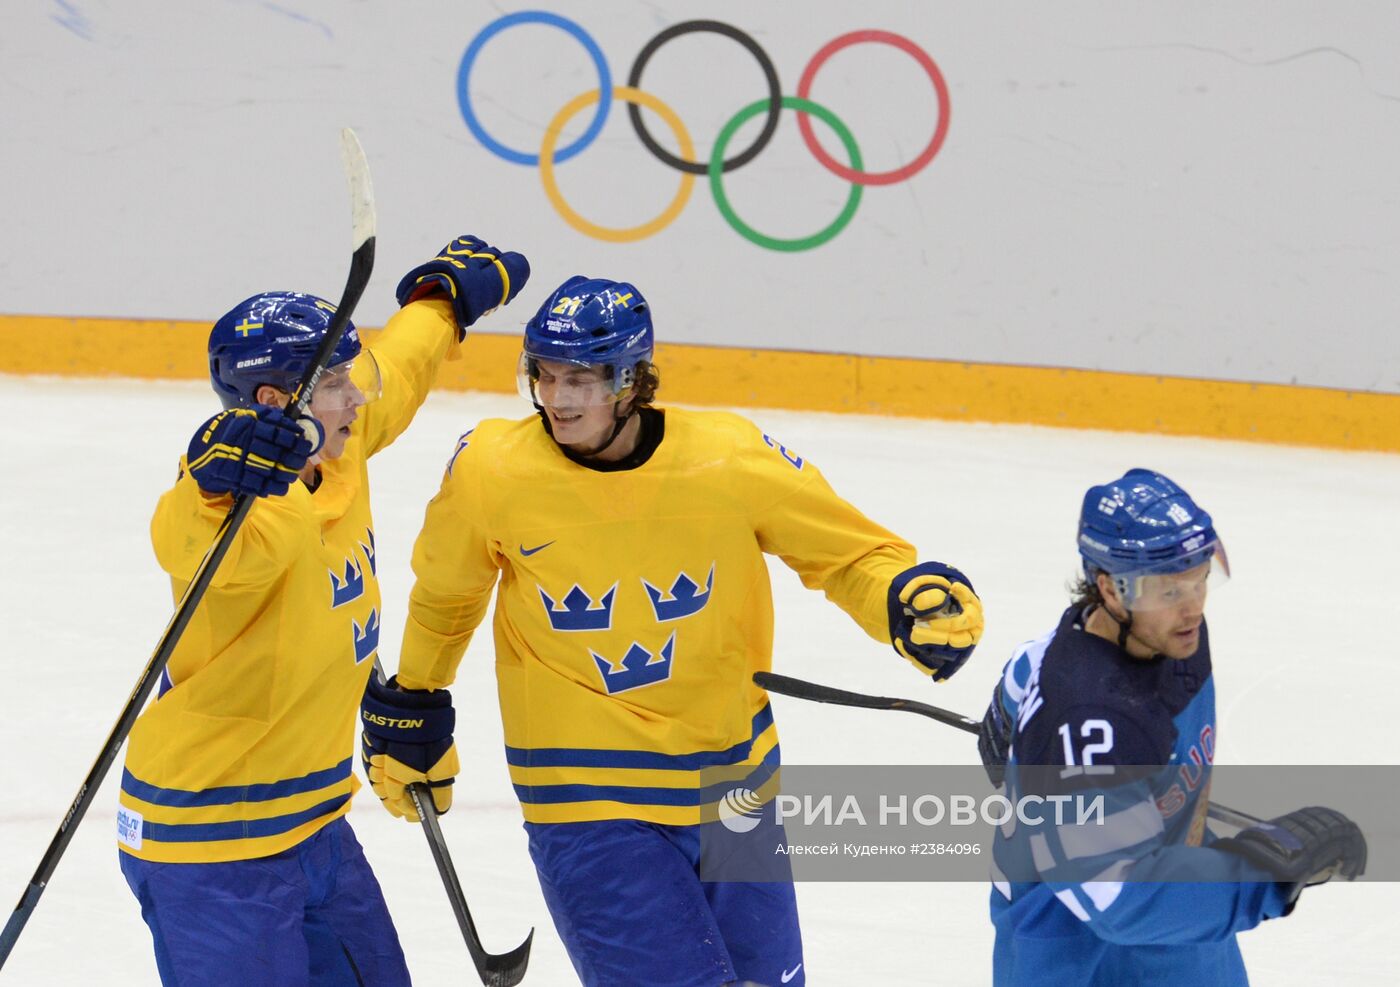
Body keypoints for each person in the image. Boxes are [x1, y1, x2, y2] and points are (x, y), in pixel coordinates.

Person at [357, 275, 987, 987]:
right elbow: (447, 593)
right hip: (586, 794)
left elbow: (848, 552)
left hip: (735, 783)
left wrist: (901, 598)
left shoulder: (726, 458)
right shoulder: (492, 469)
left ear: (633, 381)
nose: (560, 399)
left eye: (584, 379)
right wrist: (416, 694)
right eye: (546, 374)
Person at [116, 234, 530, 986]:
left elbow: (395, 370)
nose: (358, 395)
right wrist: (213, 481)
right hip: (213, 841)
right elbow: (181, 537)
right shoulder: (244, 514)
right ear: (277, 402)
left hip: (312, 823)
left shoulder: (336, 443)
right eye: (336, 380)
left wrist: (439, 302)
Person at [976, 467, 1366, 986]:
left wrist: (1008, 711)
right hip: (1079, 950)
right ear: (1110, 591)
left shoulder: (1157, 633)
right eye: (1169, 589)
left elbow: (1030, 665)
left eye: (1200, 577)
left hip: (1180, 918)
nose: (1193, 607)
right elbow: (1115, 897)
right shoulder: (1090, 722)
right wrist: (1264, 876)